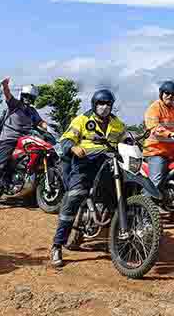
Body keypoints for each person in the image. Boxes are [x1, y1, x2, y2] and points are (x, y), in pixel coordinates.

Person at [50, 89, 125, 268]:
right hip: (85, 164)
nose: (104, 107)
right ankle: (57, 245)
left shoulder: (117, 124)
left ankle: (114, 239)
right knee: (74, 196)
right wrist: (73, 148)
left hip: (109, 165)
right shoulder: (82, 119)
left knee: (118, 196)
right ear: (94, 104)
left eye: (108, 104)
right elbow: (66, 139)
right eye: (101, 103)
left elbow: (126, 138)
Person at [0, 77, 50, 212]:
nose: (28, 99)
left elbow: (40, 122)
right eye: (26, 96)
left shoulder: (32, 111)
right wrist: (5, 86)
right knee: (1, 166)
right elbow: (7, 95)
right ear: (22, 95)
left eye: (31, 97)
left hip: (24, 140)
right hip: (7, 140)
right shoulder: (15, 105)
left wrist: (47, 127)